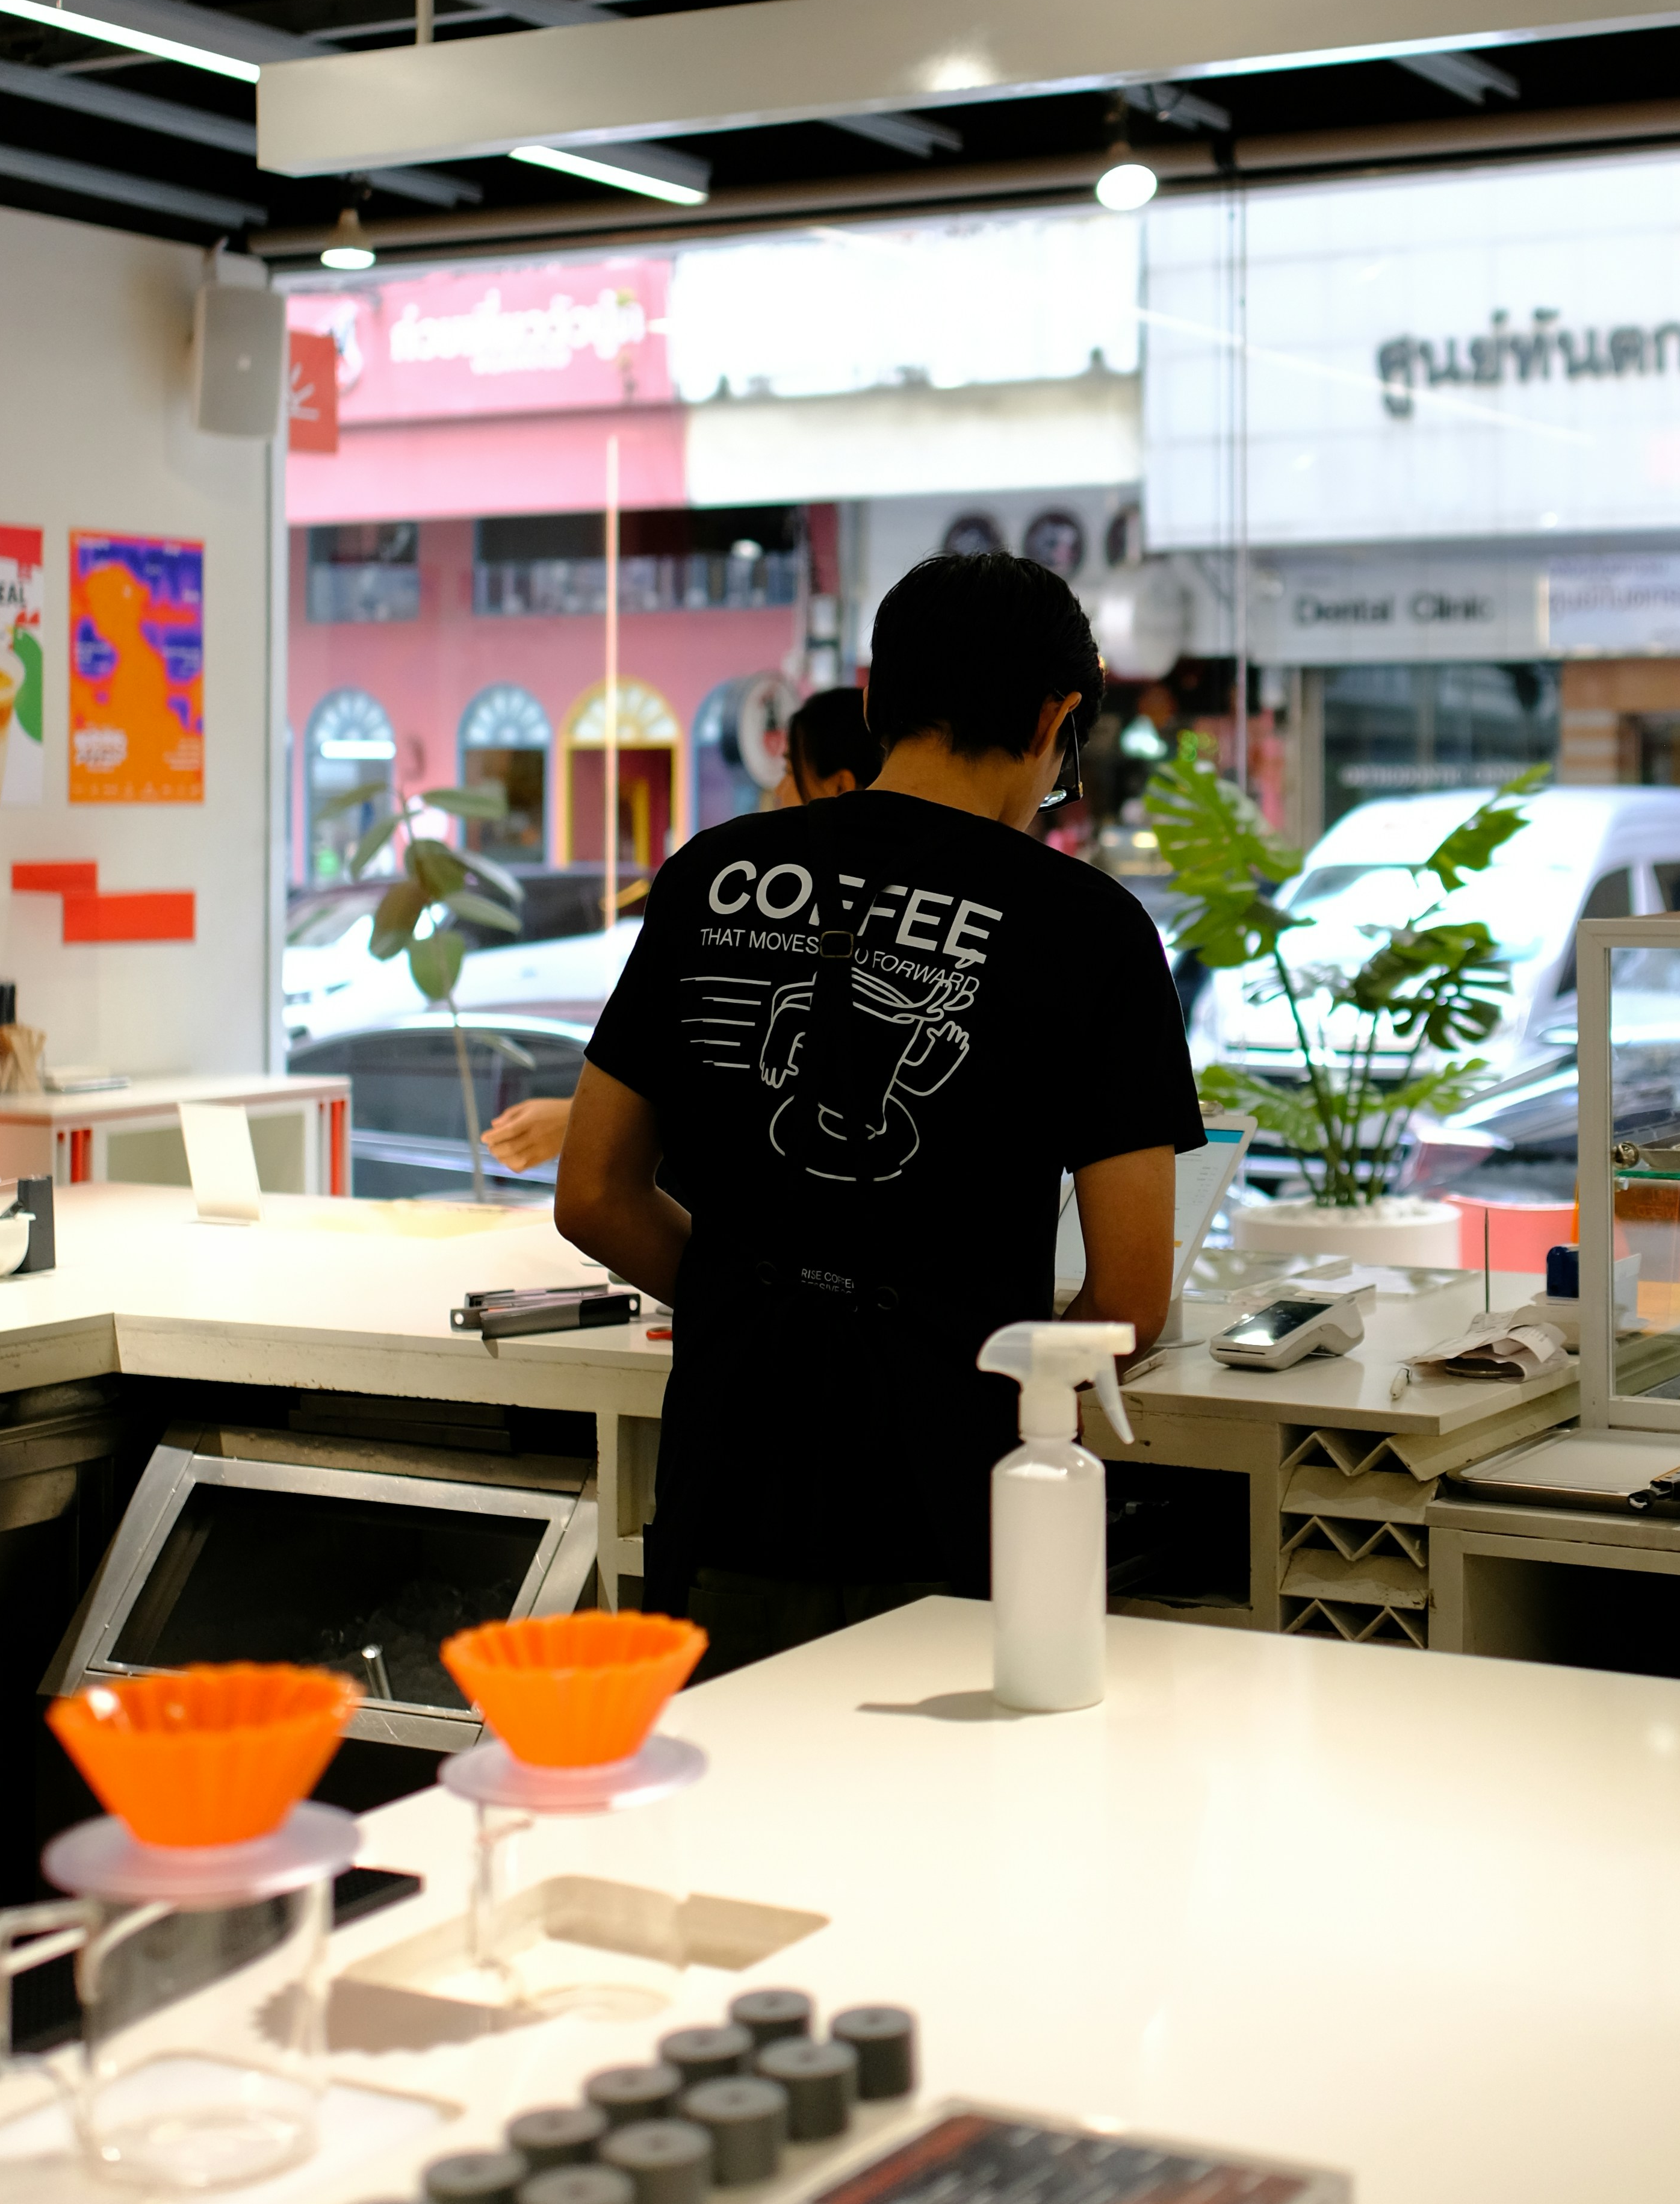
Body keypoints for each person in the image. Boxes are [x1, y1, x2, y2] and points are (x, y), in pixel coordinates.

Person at [554, 553, 1202, 1670]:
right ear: (1056, 717)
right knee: (931, 1824)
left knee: (731, 1818)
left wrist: (747, 1293)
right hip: (956, 1496)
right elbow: (1131, 1297)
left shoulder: (712, 875)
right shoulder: (1089, 931)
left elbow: (594, 1195)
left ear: (874, 697)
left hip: (726, 1471)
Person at [482, 684, 885, 1175]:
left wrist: (577, 1121)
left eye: (786, 773)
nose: (776, 792)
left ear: (841, 787)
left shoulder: (734, 888)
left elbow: (729, 1095)